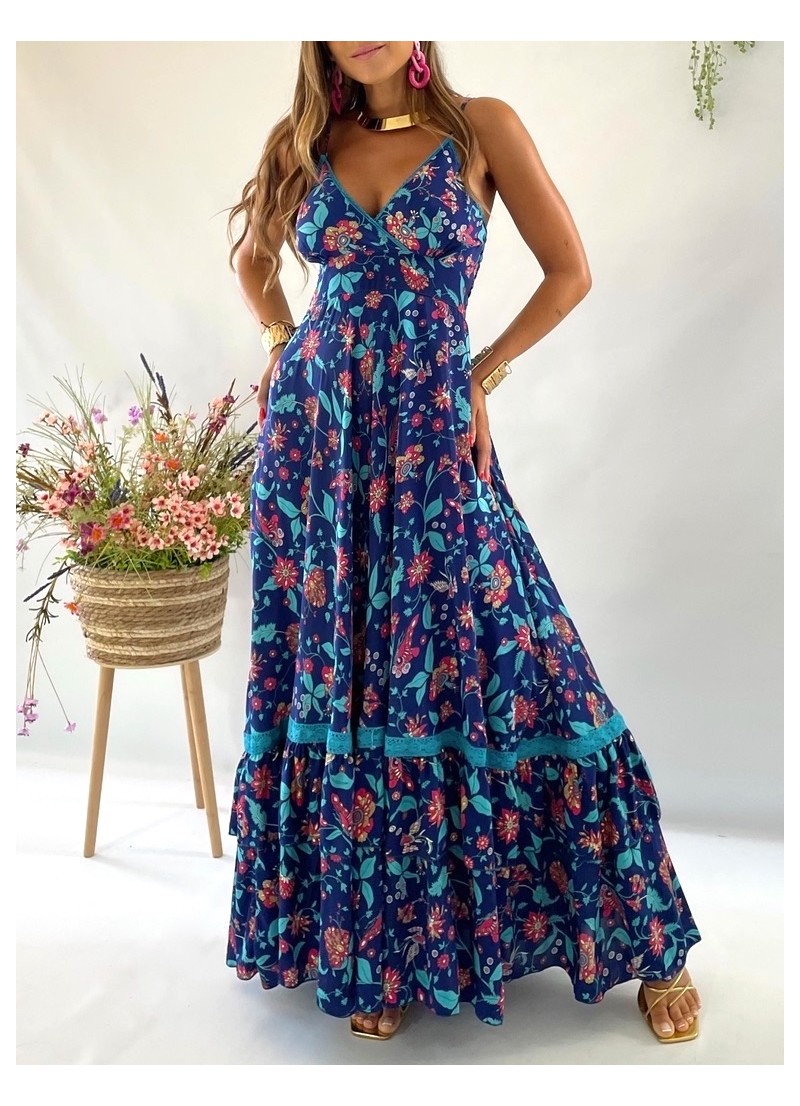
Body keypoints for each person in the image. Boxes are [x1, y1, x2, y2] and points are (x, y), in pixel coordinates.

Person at [224, 40, 703, 1043]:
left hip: (432, 436)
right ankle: (379, 947)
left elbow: (569, 272)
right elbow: (253, 261)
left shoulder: (479, 128)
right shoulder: (303, 142)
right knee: (349, 680)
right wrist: (280, 343)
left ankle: (646, 933)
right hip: (319, 451)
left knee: (525, 654)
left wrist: (480, 373)